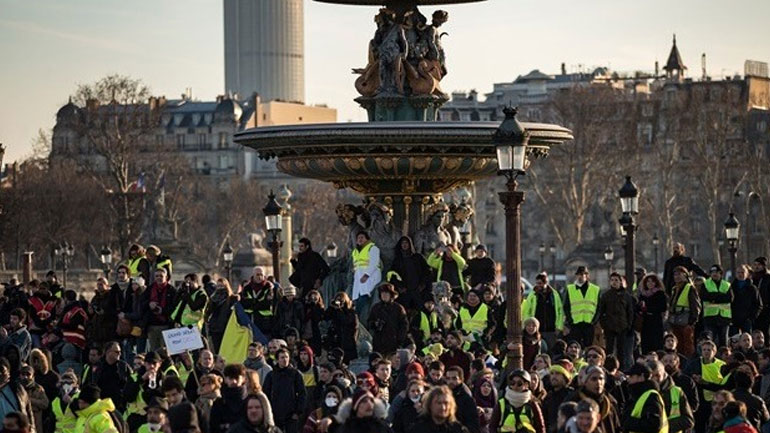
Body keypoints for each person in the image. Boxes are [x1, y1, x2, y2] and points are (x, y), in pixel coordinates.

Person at [564, 365, 621, 433]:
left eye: (601, 379)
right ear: (585, 382)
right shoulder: (574, 400)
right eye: (594, 379)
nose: (598, 382)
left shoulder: (610, 402)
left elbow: (616, 427)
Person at [263, 348, 306, 433]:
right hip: (275, 414)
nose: (285, 360)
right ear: (277, 360)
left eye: (286, 357)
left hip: (291, 414)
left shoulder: (295, 374)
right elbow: (266, 394)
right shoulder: (271, 375)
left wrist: (298, 412)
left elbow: (302, 393)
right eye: (282, 357)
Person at [598, 272, 634, 369]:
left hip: (622, 326)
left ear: (620, 282)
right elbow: (601, 311)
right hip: (609, 326)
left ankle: (621, 368)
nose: (614, 282)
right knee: (609, 349)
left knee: (621, 350)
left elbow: (630, 312)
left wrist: (629, 325)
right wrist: (604, 325)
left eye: (616, 280)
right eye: (612, 280)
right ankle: (608, 367)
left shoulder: (626, 296)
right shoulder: (606, 295)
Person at [646, 359, 694, 433]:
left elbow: (689, 420)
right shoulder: (640, 392)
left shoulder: (677, 391)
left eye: (657, 375)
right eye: (651, 376)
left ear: (664, 374)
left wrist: (663, 425)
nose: (654, 379)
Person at [388, 236, 431, 312]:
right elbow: (392, 275)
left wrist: (423, 284)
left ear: (410, 244)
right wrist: (400, 287)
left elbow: (427, 271)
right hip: (405, 293)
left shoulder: (418, 257)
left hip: (418, 291)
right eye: (403, 243)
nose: (404, 245)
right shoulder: (397, 260)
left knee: (422, 311)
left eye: (406, 243)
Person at [622, 363, 667, 433]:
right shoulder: (637, 394)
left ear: (642, 376)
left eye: (631, 376)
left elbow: (654, 424)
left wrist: (628, 422)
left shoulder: (651, 396)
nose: (628, 379)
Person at [523, 273, 565, 348]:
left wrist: (559, 327)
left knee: (551, 349)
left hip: (551, 330)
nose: (538, 285)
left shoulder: (554, 295)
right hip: (537, 330)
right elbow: (527, 311)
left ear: (546, 283)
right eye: (537, 283)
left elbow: (560, 311)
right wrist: (529, 326)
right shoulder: (533, 295)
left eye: (540, 283)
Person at [667, 266, 701, 358]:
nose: (676, 277)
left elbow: (696, 306)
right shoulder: (675, 289)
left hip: (686, 322)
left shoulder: (690, 288)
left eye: (679, 274)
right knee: (678, 345)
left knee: (688, 346)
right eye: (675, 274)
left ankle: (688, 362)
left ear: (685, 275)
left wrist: (691, 322)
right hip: (675, 321)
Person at [563, 266, 600, 348]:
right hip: (575, 323)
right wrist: (570, 320)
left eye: (582, 274)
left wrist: (594, 321)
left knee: (588, 346)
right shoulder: (570, 288)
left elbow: (599, 307)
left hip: (589, 323)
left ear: (587, 276)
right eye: (578, 274)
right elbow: (566, 306)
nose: (580, 276)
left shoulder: (595, 289)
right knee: (575, 345)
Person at [368, 284, 409, 357]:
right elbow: (369, 322)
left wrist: (399, 340)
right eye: (382, 293)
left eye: (386, 293)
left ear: (391, 295)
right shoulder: (376, 308)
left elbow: (404, 325)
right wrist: (375, 324)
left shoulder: (398, 308)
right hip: (379, 344)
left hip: (393, 344)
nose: (384, 295)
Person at [92, 341, 131, 412]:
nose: (119, 354)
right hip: (101, 405)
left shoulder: (123, 366)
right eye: (117, 352)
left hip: (119, 406)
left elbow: (129, 383)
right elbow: (93, 384)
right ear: (108, 352)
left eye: (120, 352)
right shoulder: (98, 366)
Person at [352, 232, 382, 323]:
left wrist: (366, 274)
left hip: (370, 276)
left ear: (367, 239)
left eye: (362, 237)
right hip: (359, 277)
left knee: (365, 295)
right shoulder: (355, 251)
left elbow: (374, 263)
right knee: (357, 297)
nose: (360, 239)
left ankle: (356, 316)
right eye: (358, 238)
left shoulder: (372, 248)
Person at [701, 264, 734, 348]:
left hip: (724, 318)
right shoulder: (706, 284)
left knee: (724, 342)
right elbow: (704, 296)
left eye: (717, 272)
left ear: (721, 274)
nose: (714, 274)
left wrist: (713, 297)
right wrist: (720, 296)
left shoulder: (727, 284)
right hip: (710, 317)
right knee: (709, 341)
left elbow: (729, 298)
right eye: (712, 272)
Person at [210, 364, 249, 433]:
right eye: (231, 378)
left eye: (237, 378)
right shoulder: (219, 403)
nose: (234, 381)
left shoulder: (250, 401)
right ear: (225, 379)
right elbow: (214, 426)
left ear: (243, 379)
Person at [637, 274, 669, 354]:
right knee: (645, 345)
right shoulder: (642, 295)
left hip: (656, 321)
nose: (650, 283)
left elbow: (663, 307)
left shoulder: (660, 294)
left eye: (652, 281)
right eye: (648, 281)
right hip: (645, 322)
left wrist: (648, 308)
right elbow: (638, 307)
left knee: (656, 344)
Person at [146, 269, 177, 351]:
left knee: (165, 350)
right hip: (152, 325)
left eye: (161, 276)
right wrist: (149, 304)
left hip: (166, 325)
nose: (159, 278)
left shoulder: (172, 290)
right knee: (153, 351)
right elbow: (142, 304)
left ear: (166, 277)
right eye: (157, 276)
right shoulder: (149, 289)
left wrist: (162, 310)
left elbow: (175, 307)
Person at [324, 292, 359, 364]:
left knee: (346, 361)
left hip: (347, 341)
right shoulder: (334, 311)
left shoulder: (351, 312)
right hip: (335, 339)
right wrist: (331, 307)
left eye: (341, 301)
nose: (339, 302)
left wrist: (339, 309)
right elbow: (326, 317)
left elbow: (345, 321)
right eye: (337, 300)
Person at [443, 366, 480, 433]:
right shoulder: (443, 395)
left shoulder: (467, 399)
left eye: (454, 378)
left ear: (461, 379)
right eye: (448, 378)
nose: (451, 381)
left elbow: (473, 424)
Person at [731, 264, 762, 335]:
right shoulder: (732, 287)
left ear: (747, 274)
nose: (740, 274)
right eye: (738, 272)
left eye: (742, 272)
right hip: (734, 319)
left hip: (747, 319)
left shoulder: (752, 288)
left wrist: (751, 318)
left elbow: (759, 305)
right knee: (734, 338)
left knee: (747, 338)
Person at [542, 365, 574, 433]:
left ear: (565, 377)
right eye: (552, 373)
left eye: (557, 373)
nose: (554, 376)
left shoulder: (571, 395)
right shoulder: (549, 396)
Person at [18, 365, 46, 433]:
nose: (25, 377)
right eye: (23, 374)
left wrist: (29, 400)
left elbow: (45, 404)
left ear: (33, 376)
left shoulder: (38, 389)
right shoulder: (16, 388)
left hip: (36, 424)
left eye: (28, 374)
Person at [752, 257, 770, 339]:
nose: (756, 267)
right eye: (755, 264)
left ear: (763, 266)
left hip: (766, 309)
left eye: (759, 265)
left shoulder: (767, 278)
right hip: (754, 309)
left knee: (765, 331)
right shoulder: (752, 277)